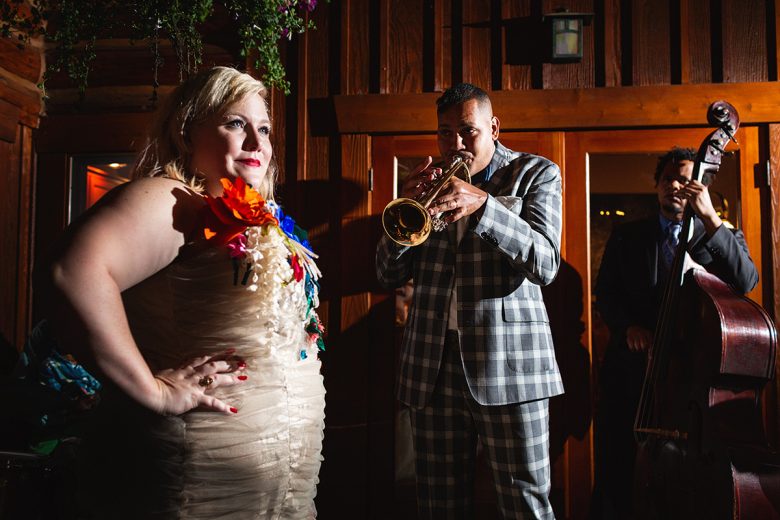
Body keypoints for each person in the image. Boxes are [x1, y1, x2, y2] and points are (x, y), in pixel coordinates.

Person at [43, 66, 326, 519]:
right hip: (195, 484)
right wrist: (151, 390)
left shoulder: (253, 215)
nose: (257, 141)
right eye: (236, 123)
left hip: (273, 487)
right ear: (186, 129)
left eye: (265, 128)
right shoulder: (172, 198)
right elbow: (72, 272)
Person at [376, 83, 564, 519]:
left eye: (467, 132)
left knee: (526, 505)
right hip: (433, 373)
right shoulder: (429, 183)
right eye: (444, 133)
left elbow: (547, 263)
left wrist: (486, 207)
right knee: (439, 506)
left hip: (512, 373)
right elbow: (386, 273)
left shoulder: (536, 173)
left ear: (494, 127)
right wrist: (407, 203)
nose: (454, 145)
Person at [591, 147, 758, 519]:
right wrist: (627, 327)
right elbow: (607, 294)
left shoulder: (720, 235)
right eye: (667, 179)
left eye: (684, 179)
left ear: (701, 187)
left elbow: (746, 280)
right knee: (618, 467)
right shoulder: (627, 235)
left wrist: (711, 216)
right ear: (657, 186)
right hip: (635, 371)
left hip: (693, 379)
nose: (674, 186)